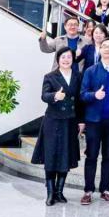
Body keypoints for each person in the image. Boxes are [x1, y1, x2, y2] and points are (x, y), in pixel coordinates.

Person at [31, 47, 82, 206]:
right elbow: (44, 95)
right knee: (51, 156)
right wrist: (55, 96)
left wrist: (81, 121)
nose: (66, 60)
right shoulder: (50, 76)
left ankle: (60, 192)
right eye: (63, 57)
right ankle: (50, 193)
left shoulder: (78, 76)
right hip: (53, 121)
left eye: (69, 57)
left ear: (73, 59)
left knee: (65, 155)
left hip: (70, 121)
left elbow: (79, 101)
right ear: (58, 59)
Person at [79, 38, 109, 205]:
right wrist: (94, 95)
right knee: (91, 155)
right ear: (100, 51)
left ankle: (106, 190)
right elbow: (82, 95)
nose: (106, 49)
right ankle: (88, 191)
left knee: (108, 156)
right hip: (94, 120)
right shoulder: (90, 71)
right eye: (103, 46)